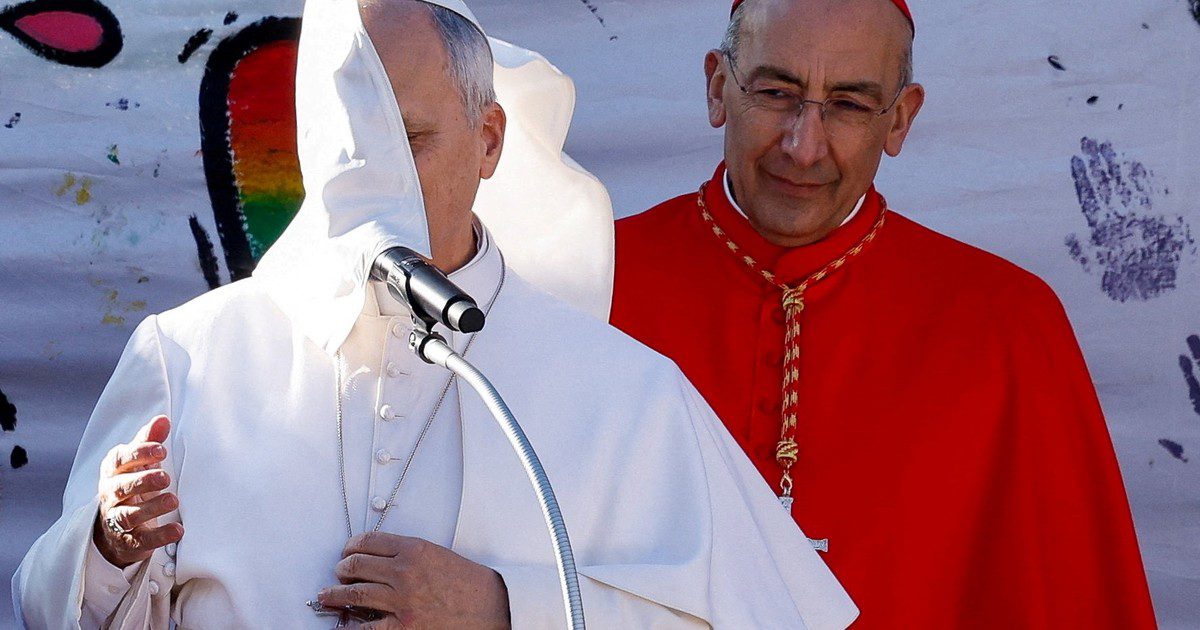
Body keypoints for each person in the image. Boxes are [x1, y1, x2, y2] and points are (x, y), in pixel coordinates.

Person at [12, 0, 859, 627]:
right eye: (349, 149)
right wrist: (108, 549)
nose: (375, 182)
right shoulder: (189, 354)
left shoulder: (624, 393)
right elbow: (50, 611)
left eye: (410, 141)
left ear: (488, 140)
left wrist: (505, 608)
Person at [611, 0, 1158, 627]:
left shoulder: (1007, 325)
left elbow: (1076, 599)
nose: (803, 147)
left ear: (899, 119)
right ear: (717, 88)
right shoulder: (593, 283)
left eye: (848, 104)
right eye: (775, 92)